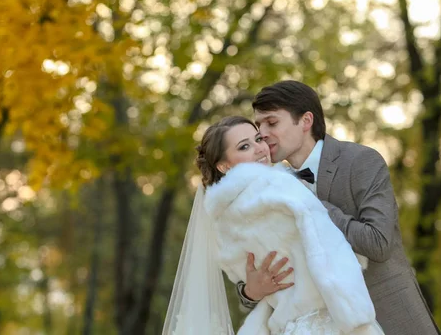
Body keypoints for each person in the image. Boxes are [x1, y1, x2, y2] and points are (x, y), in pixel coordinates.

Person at [236, 80, 440, 335]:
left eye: (272, 122)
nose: (262, 133)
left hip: (388, 319)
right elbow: (246, 263)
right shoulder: (266, 187)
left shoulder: (362, 161)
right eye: (258, 125)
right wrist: (249, 292)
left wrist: (312, 205)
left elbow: (379, 244)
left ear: (306, 121)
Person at [162, 115, 384, 335]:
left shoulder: (225, 218)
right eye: (244, 146)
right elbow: (328, 254)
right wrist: (356, 315)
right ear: (224, 165)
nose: (260, 149)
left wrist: (250, 292)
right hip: (330, 320)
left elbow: (251, 277)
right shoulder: (276, 192)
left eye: (258, 139)